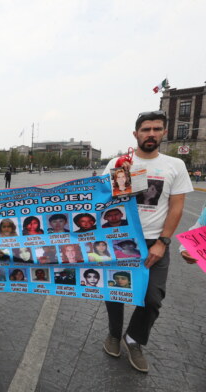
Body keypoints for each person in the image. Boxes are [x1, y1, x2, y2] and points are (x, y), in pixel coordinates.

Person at [102, 110, 193, 373]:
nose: (151, 134)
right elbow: (107, 203)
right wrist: (123, 175)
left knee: (153, 298)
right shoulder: (116, 164)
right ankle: (113, 334)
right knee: (116, 291)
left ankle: (133, 339)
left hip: (156, 242)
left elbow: (176, 206)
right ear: (136, 134)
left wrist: (163, 242)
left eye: (156, 129)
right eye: (145, 129)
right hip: (120, 238)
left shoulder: (175, 165)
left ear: (164, 132)